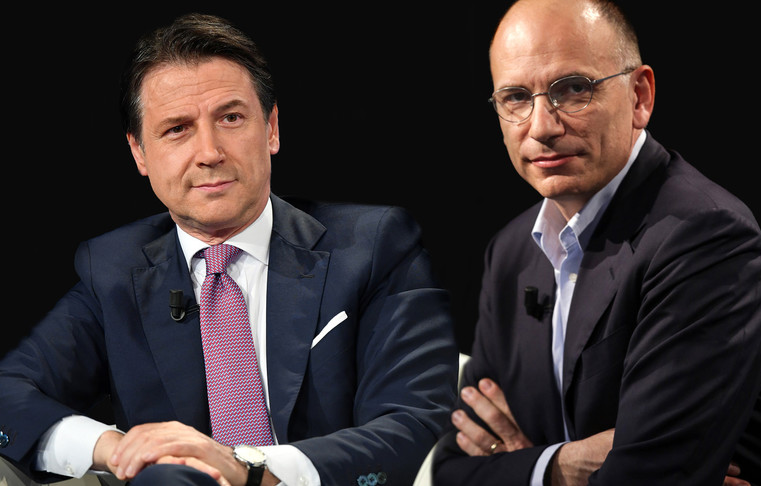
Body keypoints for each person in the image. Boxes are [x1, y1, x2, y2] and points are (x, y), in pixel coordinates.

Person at [0, 13, 457, 486]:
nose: (209, 152)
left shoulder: (374, 247)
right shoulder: (115, 269)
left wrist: (250, 470)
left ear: (271, 128)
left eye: (231, 118)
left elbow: (417, 421)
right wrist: (118, 449)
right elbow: (8, 393)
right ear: (139, 153)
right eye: (177, 129)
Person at [432, 0, 761, 485]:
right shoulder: (509, 253)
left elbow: (648, 477)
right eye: (516, 98)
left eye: (574, 89)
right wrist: (560, 467)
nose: (541, 127)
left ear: (639, 97)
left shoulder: (707, 236)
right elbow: (452, 471)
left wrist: (524, 467)